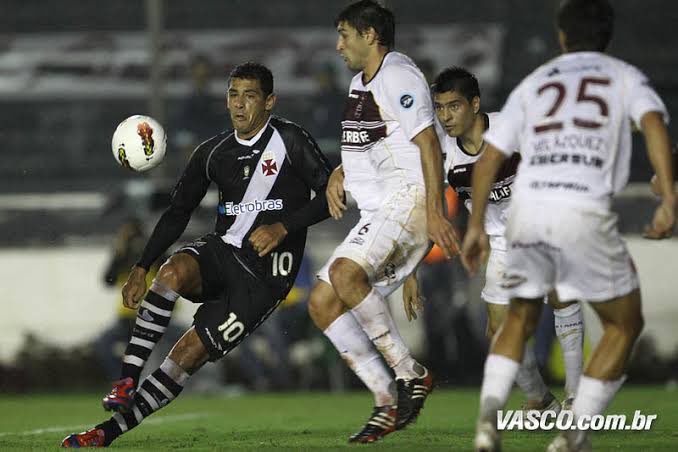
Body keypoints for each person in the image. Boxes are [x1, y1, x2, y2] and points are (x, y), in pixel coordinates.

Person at [61, 62, 332, 447]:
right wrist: (141, 266)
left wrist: (283, 228)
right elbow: (177, 212)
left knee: (186, 355)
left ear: (269, 101)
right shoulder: (213, 152)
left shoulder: (291, 140)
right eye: (233, 94)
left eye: (250, 95)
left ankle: (106, 433)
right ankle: (126, 380)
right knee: (172, 271)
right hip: (225, 252)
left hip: (264, 281)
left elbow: (331, 194)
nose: (239, 104)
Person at [460, 1, 675, 451]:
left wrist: (475, 224)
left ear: (561, 36)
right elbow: (653, 123)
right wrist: (669, 196)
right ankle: (573, 435)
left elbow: (489, 158)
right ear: (608, 35)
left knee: (518, 317)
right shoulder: (623, 76)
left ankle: (487, 422)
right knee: (624, 323)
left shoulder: (536, 83)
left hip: (527, 212)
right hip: (581, 208)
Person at [307, 0, 457, 443]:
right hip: (382, 212)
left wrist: (434, 213)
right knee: (322, 302)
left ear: (369, 35)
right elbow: (371, 146)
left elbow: (428, 145)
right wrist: (340, 172)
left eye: (344, 35)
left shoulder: (399, 75)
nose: (339, 46)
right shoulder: (360, 83)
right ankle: (386, 400)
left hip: (410, 200)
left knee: (343, 274)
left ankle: (411, 374)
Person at [415, 67, 584, 410]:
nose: (445, 116)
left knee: (561, 296)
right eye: (440, 108)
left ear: (475, 104)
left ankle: (576, 395)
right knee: (498, 330)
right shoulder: (442, 152)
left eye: (454, 106)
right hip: (501, 243)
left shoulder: (512, 127)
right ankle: (540, 399)